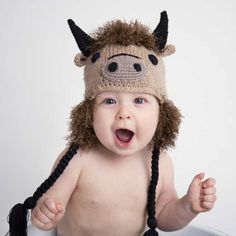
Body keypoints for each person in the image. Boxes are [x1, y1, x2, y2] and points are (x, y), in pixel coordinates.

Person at [8, 11, 217, 236]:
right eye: (109, 101)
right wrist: (46, 213)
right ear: (88, 113)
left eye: (139, 100)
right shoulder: (77, 158)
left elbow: (164, 217)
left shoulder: (160, 162)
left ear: (162, 113)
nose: (123, 113)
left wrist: (187, 206)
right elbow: (52, 202)